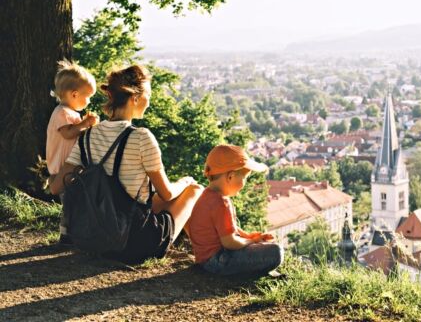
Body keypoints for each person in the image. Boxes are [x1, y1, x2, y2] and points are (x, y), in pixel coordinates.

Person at [50, 64, 203, 262]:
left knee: (151, 199)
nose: (149, 100)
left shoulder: (88, 135)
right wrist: (184, 182)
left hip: (96, 237)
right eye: (148, 94)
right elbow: (167, 193)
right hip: (134, 243)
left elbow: (55, 188)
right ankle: (204, 254)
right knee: (195, 190)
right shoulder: (142, 137)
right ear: (135, 97)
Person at [188, 144, 283, 276]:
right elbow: (230, 242)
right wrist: (252, 241)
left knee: (264, 248)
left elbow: (229, 229)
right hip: (218, 261)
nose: (244, 184)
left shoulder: (207, 195)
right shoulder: (221, 203)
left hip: (206, 260)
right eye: (244, 178)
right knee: (276, 252)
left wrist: (249, 236)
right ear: (231, 177)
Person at [46, 59, 99, 243]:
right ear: (75, 94)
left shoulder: (70, 113)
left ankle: (75, 231)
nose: (89, 100)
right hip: (62, 168)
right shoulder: (62, 113)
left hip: (69, 168)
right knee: (69, 202)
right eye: (88, 96)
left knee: (75, 200)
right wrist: (85, 124)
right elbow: (68, 133)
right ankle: (66, 234)